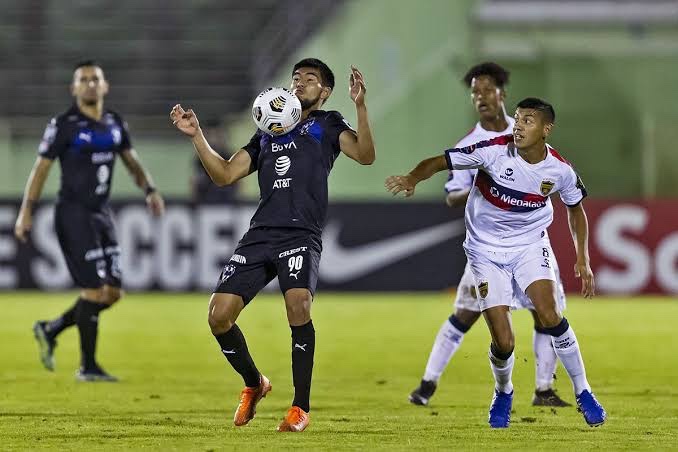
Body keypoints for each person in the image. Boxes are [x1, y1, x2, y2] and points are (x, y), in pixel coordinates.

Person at [170, 58, 375, 432]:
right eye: (296, 78)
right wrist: (197, 136)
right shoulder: (266, 131)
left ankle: (300, 408)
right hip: (261, 234)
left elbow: (365, 155)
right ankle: (254, 383)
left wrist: (360, 106)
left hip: (301, 234)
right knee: (218, 315)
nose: (299, 84)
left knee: (298, 305)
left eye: (309, 79)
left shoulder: (328, 124)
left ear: (325, 91)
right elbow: (224, 174)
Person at [386, 97, 606, 428]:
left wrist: (583, 258)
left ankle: (583, 391)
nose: (518, 126)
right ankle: (503, 392)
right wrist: (413, 178)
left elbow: (576, 210)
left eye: (528, 120)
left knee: (550, 314)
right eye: (517, 119)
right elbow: (440, 161)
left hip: (529, 246)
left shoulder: (560, 170)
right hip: (485, 252)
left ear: (546, 129)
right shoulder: (492, 150)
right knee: (504, 341)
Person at [409, 63, 570, 408]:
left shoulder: (526, 128)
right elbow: (452, 194)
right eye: (474, 92)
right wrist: (483, 188)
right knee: (465, 313)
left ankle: (544, 389)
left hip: (530, 240)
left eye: (486, 90)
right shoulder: (470, 144)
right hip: (489, 244)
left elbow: (547, 174)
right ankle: (427, 383)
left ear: (502, 94)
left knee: (546, 311)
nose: (480, 97)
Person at [15, 61, 165, 381]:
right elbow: (40, 169)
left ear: (105, 85)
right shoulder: (64, 125)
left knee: (113, 292)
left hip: (101, 214)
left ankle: (51, 329)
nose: (90, 84)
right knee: (95, 291)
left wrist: (150, 190)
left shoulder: (114, 123)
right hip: (73, 214)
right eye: (83, 80)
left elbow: (131, 162)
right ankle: (88, 367)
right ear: (74, 88)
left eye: (95, 79)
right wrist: (26, 211)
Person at [190, 118, 238, 204]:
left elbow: (238, 186)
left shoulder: (231, 157)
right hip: (205, 204)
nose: (213, 140)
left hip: (227, 204)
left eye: (217, 136)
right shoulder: (200, 159)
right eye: (210, 135)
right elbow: (195, 183)